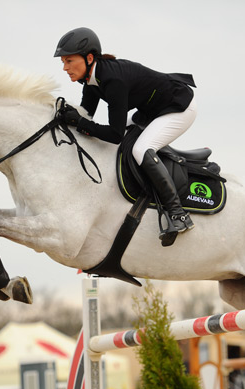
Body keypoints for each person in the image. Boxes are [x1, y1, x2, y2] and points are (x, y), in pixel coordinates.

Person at [54, 27, 197, 244]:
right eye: (63, 62)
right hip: (151, 111)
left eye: (69, 61)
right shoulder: (91, 80)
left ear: (89, 58)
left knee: (141, 149)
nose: (65, 68)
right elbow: (86, 116)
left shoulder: (113, 80)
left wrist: (79, 122)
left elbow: (114, 134)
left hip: (179, 107)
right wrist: (64, 116)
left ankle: (178, 214)